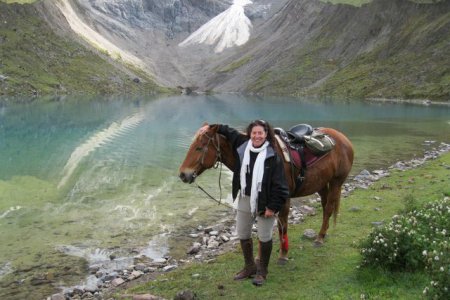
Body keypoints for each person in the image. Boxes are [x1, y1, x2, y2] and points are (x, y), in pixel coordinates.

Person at [198, 120, 289, 286]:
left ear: (266, 134)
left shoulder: (272, 156)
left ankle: (262, 271)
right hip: (246, 197)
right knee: (243, 233)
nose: (257, 136)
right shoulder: (243, 145)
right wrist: (210, 126)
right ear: (250, 134)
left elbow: (281, 187)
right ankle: (249, 267)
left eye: (260, 133)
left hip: (265, 202)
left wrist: (272, 207)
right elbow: (228, 130)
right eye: (254, 133)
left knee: (264, 236)